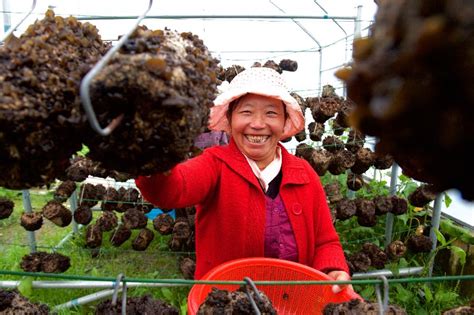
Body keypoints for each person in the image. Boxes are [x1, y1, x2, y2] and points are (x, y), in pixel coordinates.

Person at [135, 67, 351, 292]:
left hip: (293, 304)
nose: (258, 124)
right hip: (222, 306)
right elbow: (173, 189)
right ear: (229, 118)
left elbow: (326, 241)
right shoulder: (214, 164)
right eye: (246, 112)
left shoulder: (304, 174)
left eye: (271, 113)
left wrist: (332, 268)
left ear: (285, 120)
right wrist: (150, 159)